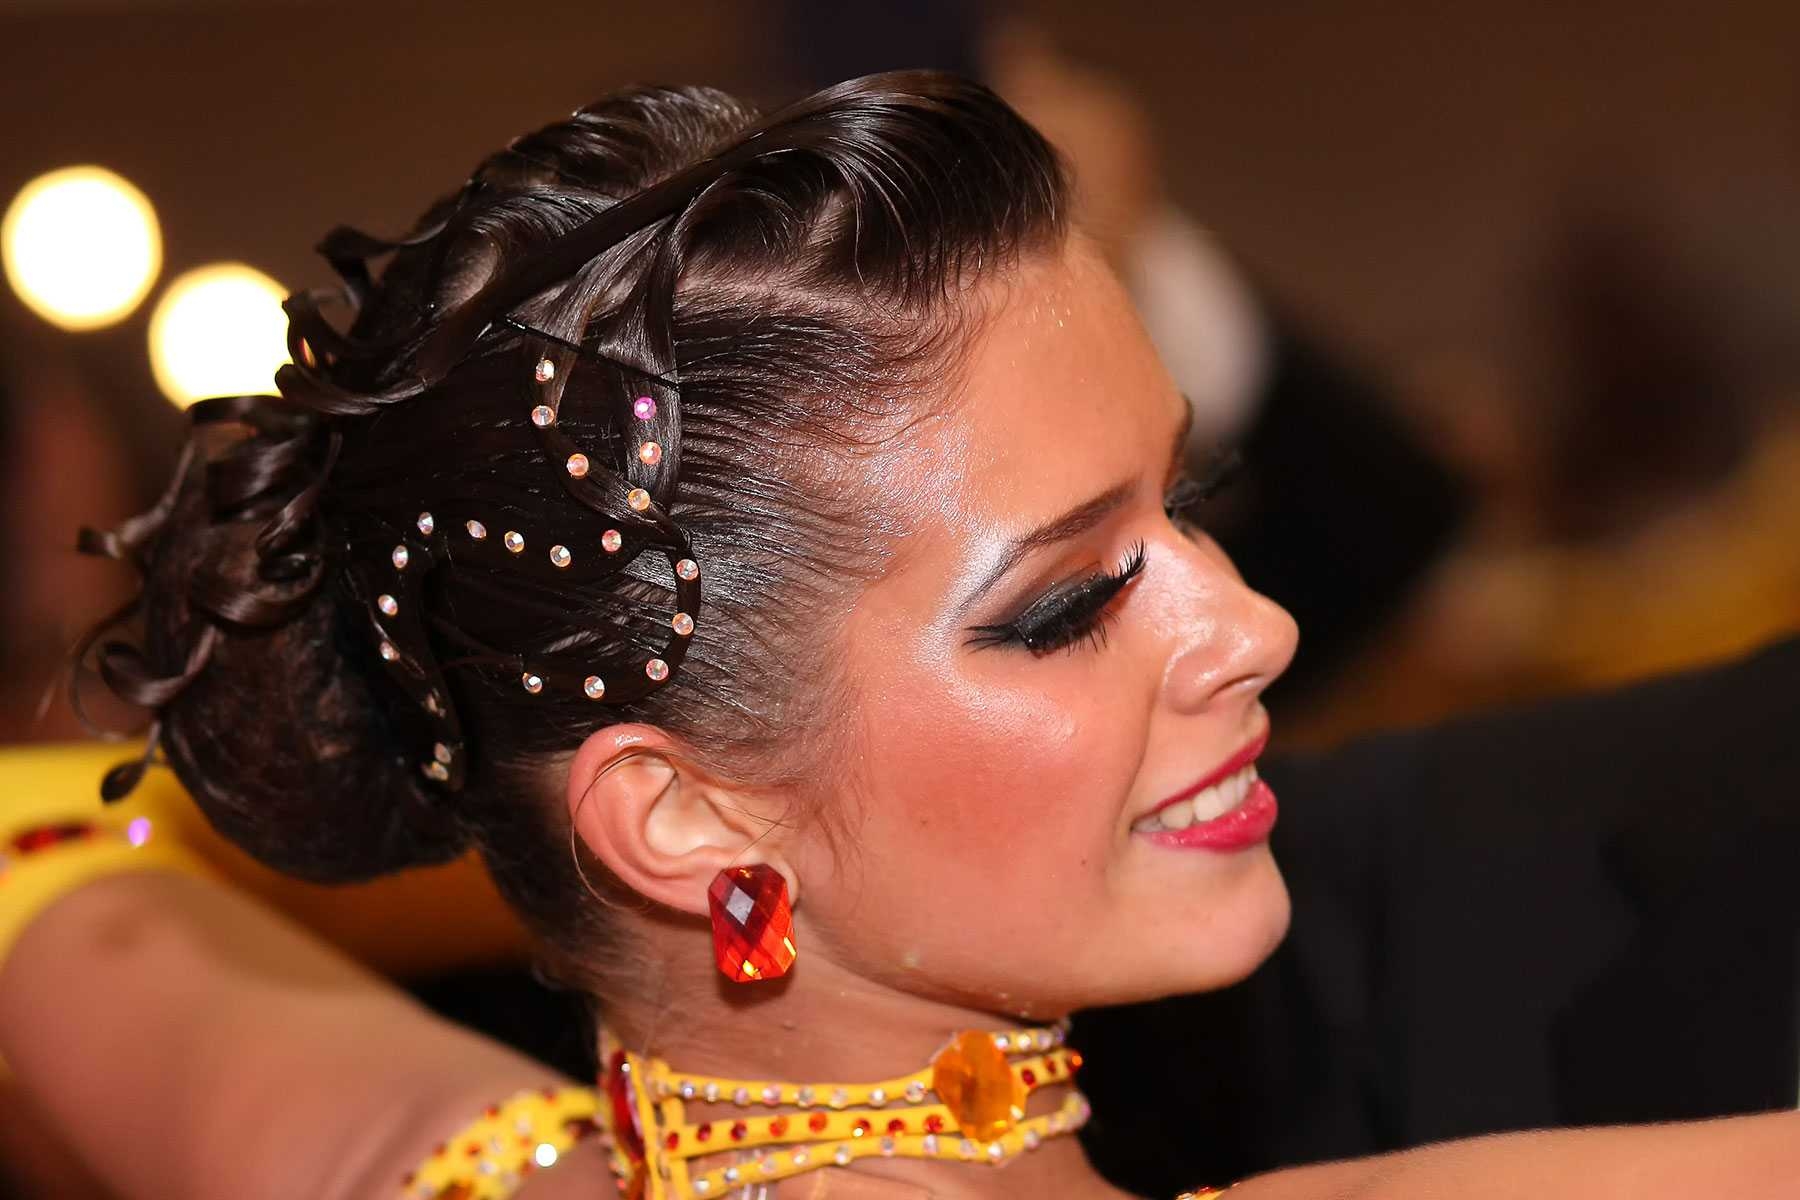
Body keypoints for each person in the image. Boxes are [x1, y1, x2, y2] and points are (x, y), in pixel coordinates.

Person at [3, 73, 1797, 1200]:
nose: (1251, 621)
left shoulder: (425, 1155)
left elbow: (48, 888)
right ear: (682, 814)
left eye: (1189, 503)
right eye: (1066, 605)